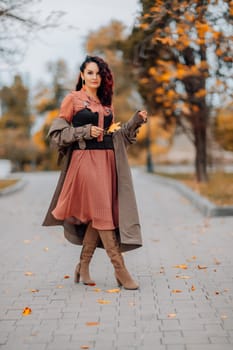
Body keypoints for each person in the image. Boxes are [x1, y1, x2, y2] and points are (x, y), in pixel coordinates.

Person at [43, 55, 148, 290]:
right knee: (102, 212)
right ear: (82, 75)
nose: (95, 77)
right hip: (84, 162)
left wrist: (135, 121)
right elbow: (57, 135)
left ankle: (83, 265)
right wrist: (84, 131)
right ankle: (120, 269)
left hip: (107, 162)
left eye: (98, 73)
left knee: (99, 214)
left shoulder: (106, 103)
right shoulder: (73, 100)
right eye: (90, 72)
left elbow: (116, 136)